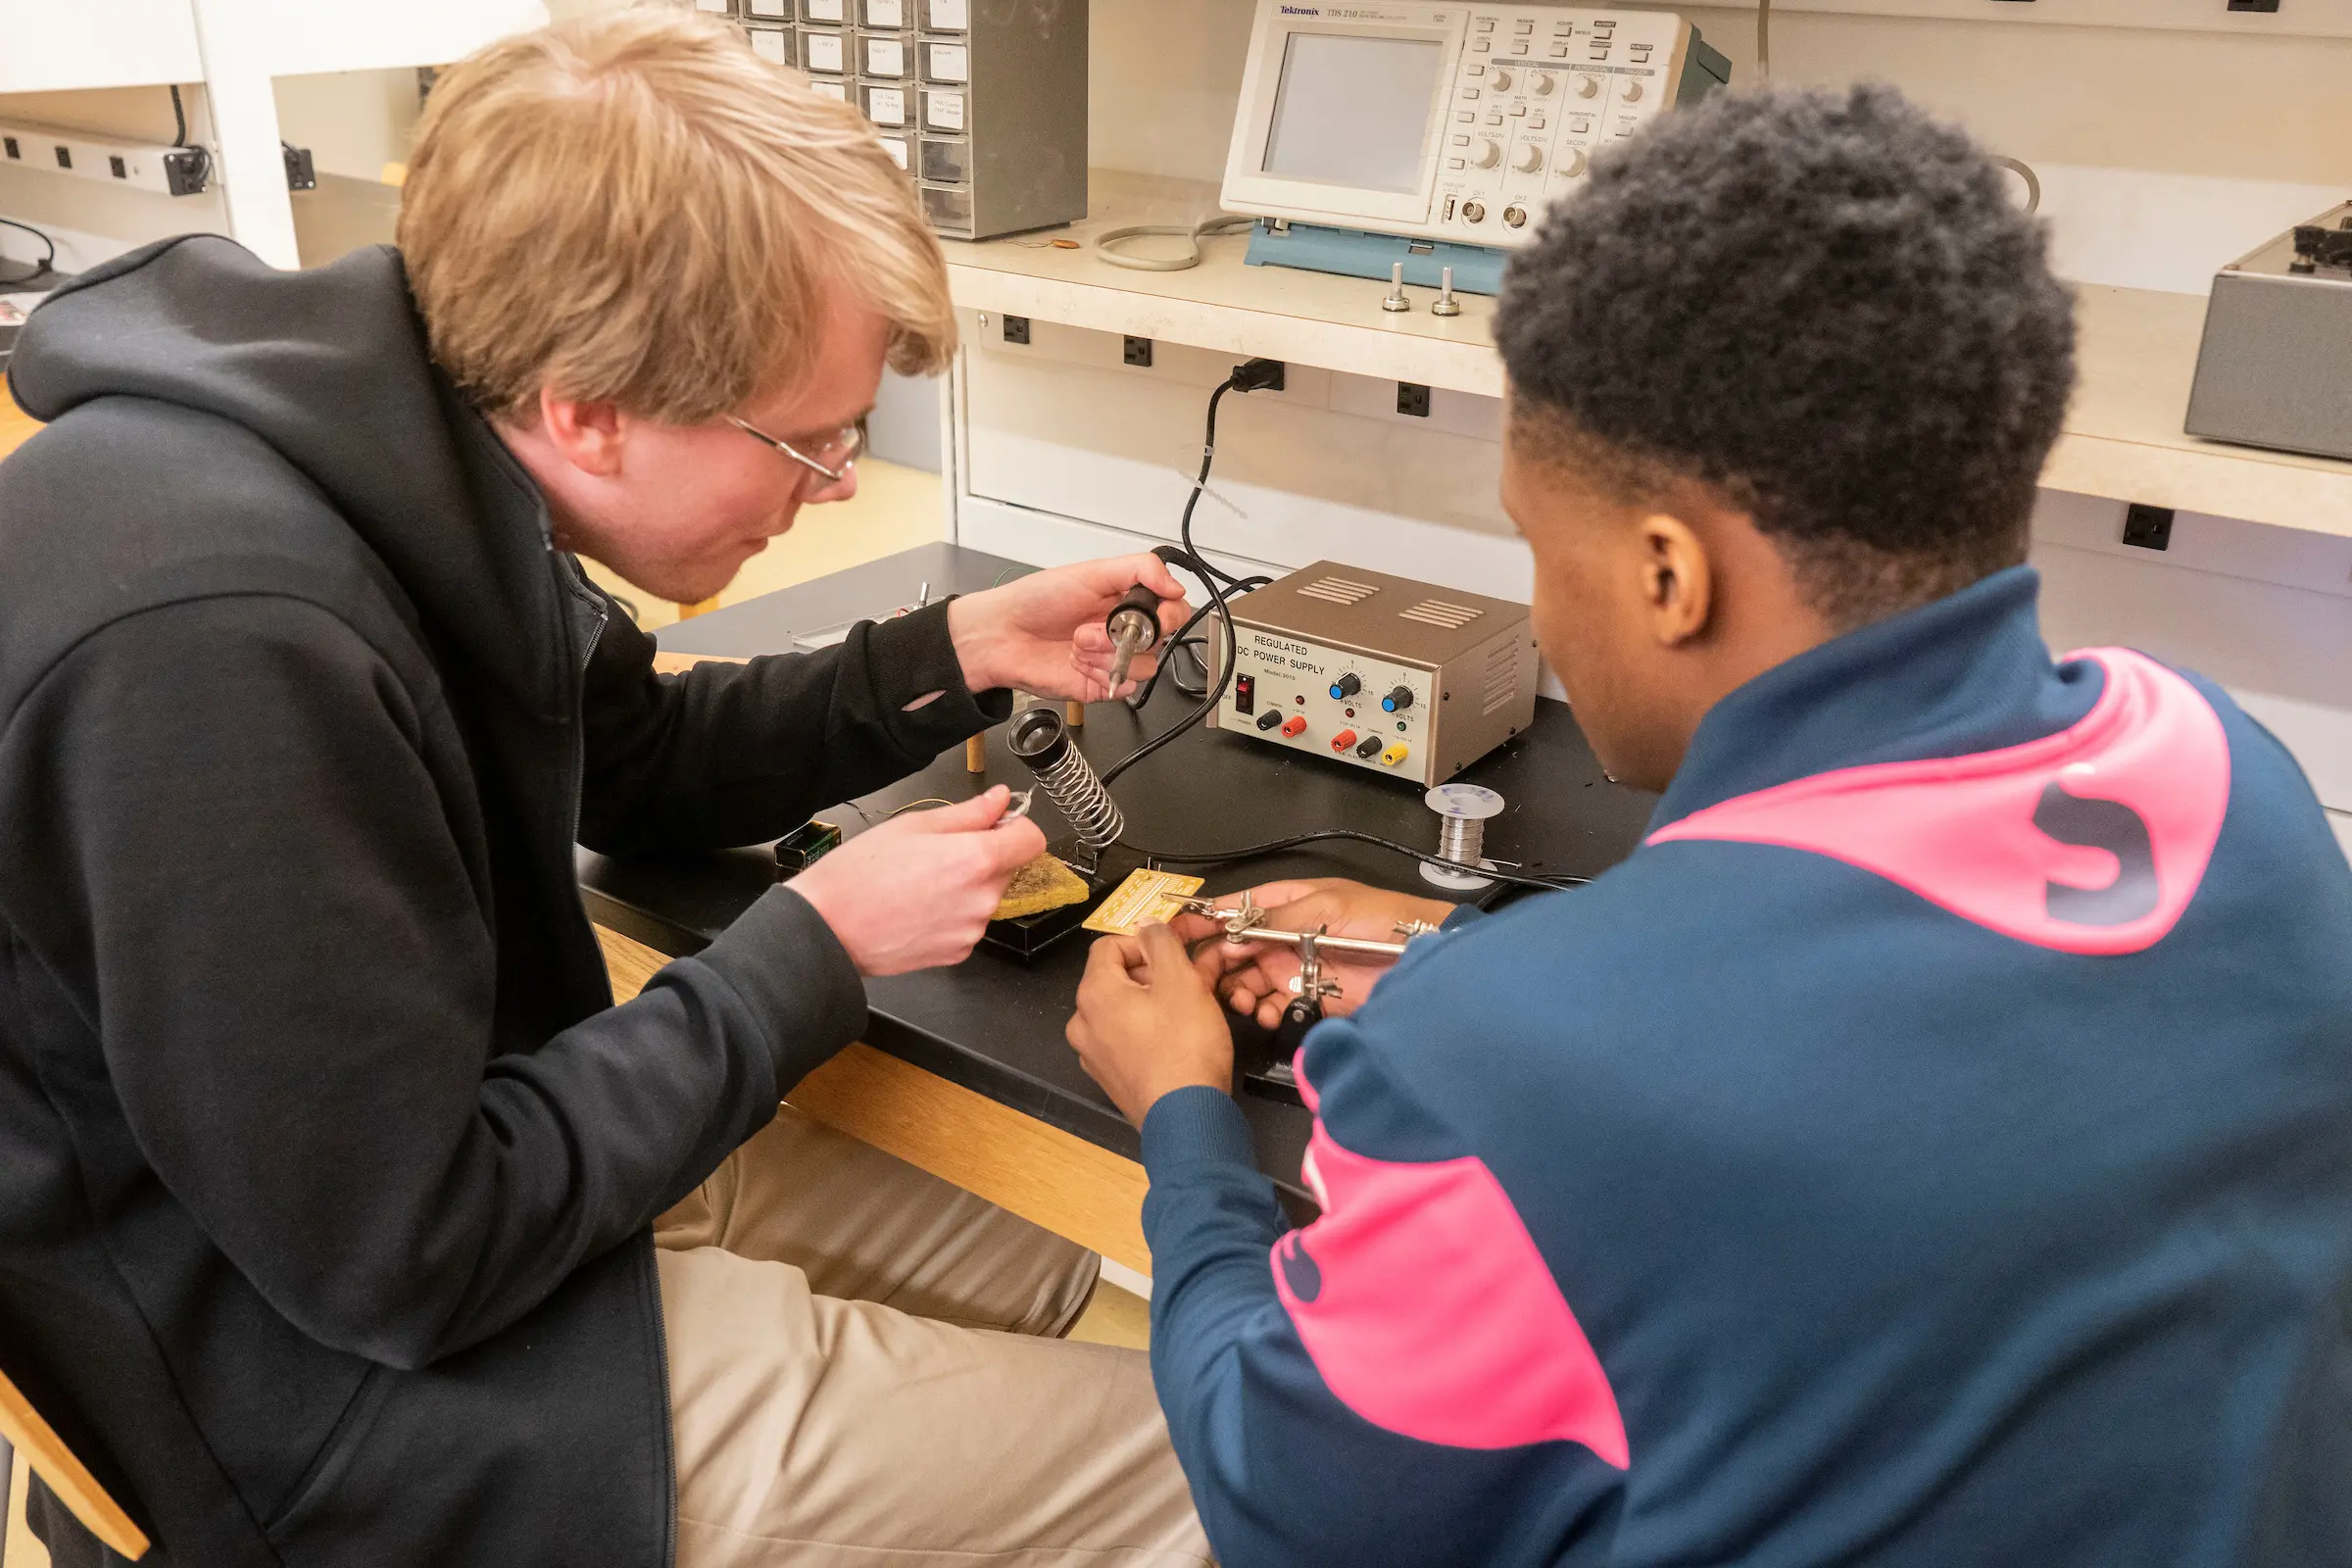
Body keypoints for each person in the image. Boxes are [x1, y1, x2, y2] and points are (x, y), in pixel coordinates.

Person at [1067, 83, 2352, 1567]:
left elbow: (1286, 1507)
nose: (1544, 606)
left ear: (1671, 576)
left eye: (1540, 547)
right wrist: (1457, 956)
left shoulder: (1494, 1076)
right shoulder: (2221, 769)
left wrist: (1183, 1122)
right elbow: (1901, 1019)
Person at [0, 12, 1211, 1567]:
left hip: (452, 1182)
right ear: (590, 407)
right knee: (1220, 1473)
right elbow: (403, 1258)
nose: (835, 487)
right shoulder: (216, 651)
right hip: (330, 1406)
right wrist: (816, 948)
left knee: (1043, 1247)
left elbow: (635, 762)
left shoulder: (403, 436)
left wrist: (957, 646)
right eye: (813, 441)